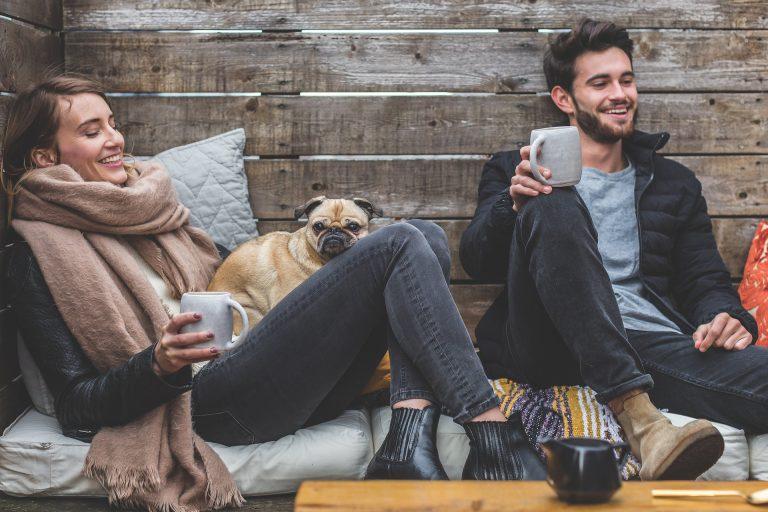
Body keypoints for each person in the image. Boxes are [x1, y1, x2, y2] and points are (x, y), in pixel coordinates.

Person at [1, 75, 547, 510]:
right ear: (45, 158)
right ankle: (491, 433)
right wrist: (159, 364)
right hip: (205, 404)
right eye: (92, 131)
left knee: (422, 237)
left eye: (113, 123)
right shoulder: (41, 251)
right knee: (402, 241)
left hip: (260, 374)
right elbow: (74, 408)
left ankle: (405, 445)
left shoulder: (149, 209)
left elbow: (227, 285)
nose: (116, 138)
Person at [461, 18, 768, 481]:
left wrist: (728, 318)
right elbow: (476, 260)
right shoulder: (515, 168)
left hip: (650, 348)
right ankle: (639, 417)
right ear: (564, 98)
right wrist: (513, 202)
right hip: (550, 342)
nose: (619, 94)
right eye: (600, 83)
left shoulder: (674, 185)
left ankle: (631, 394)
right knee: (553, 198)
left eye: (626, 80)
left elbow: (703, 281)